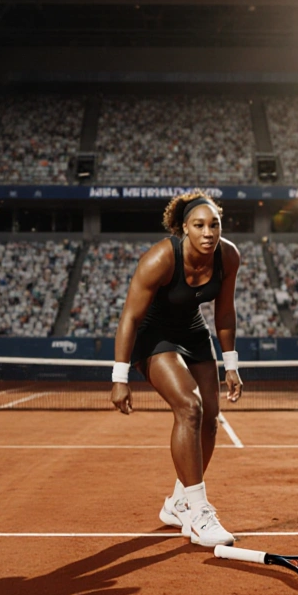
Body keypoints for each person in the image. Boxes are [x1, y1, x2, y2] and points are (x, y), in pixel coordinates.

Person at [110, 191, 244, 547]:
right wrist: (120, 377)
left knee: (210, 419)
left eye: (214, 224)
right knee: (189, 406)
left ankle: (178, 503)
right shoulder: (160, 258)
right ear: (184, 228)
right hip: (153, 335)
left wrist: (231, 365)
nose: (208, 233)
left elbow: (225, 312)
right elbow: (130, 316)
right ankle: (199, 514)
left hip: (193, 333)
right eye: (199, 225)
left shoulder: (228, 256)